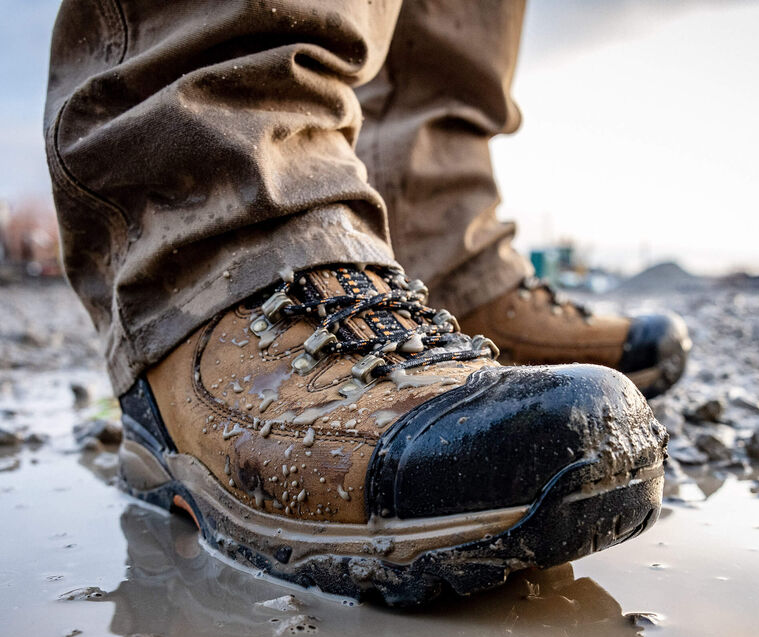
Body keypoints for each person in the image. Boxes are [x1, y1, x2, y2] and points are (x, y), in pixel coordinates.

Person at [44, 0, 678, 605]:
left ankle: (438, 253)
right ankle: (221, 246)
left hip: (403, 254)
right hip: (209, 222)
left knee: (449, 30)